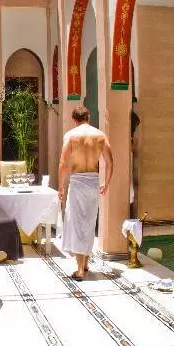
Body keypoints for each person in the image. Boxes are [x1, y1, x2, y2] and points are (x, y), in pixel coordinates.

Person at [58, 105, 113, 280]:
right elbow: (110, 162)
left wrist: (61, 186)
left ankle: (80, 270)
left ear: (74, 120)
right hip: (93, 182)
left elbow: (63, 163)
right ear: (88, 117)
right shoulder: (100, 135)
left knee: (77, 223)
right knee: (89, 222)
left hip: (77, 182)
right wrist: (106, 183)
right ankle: (86, 263)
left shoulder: (71, 136)